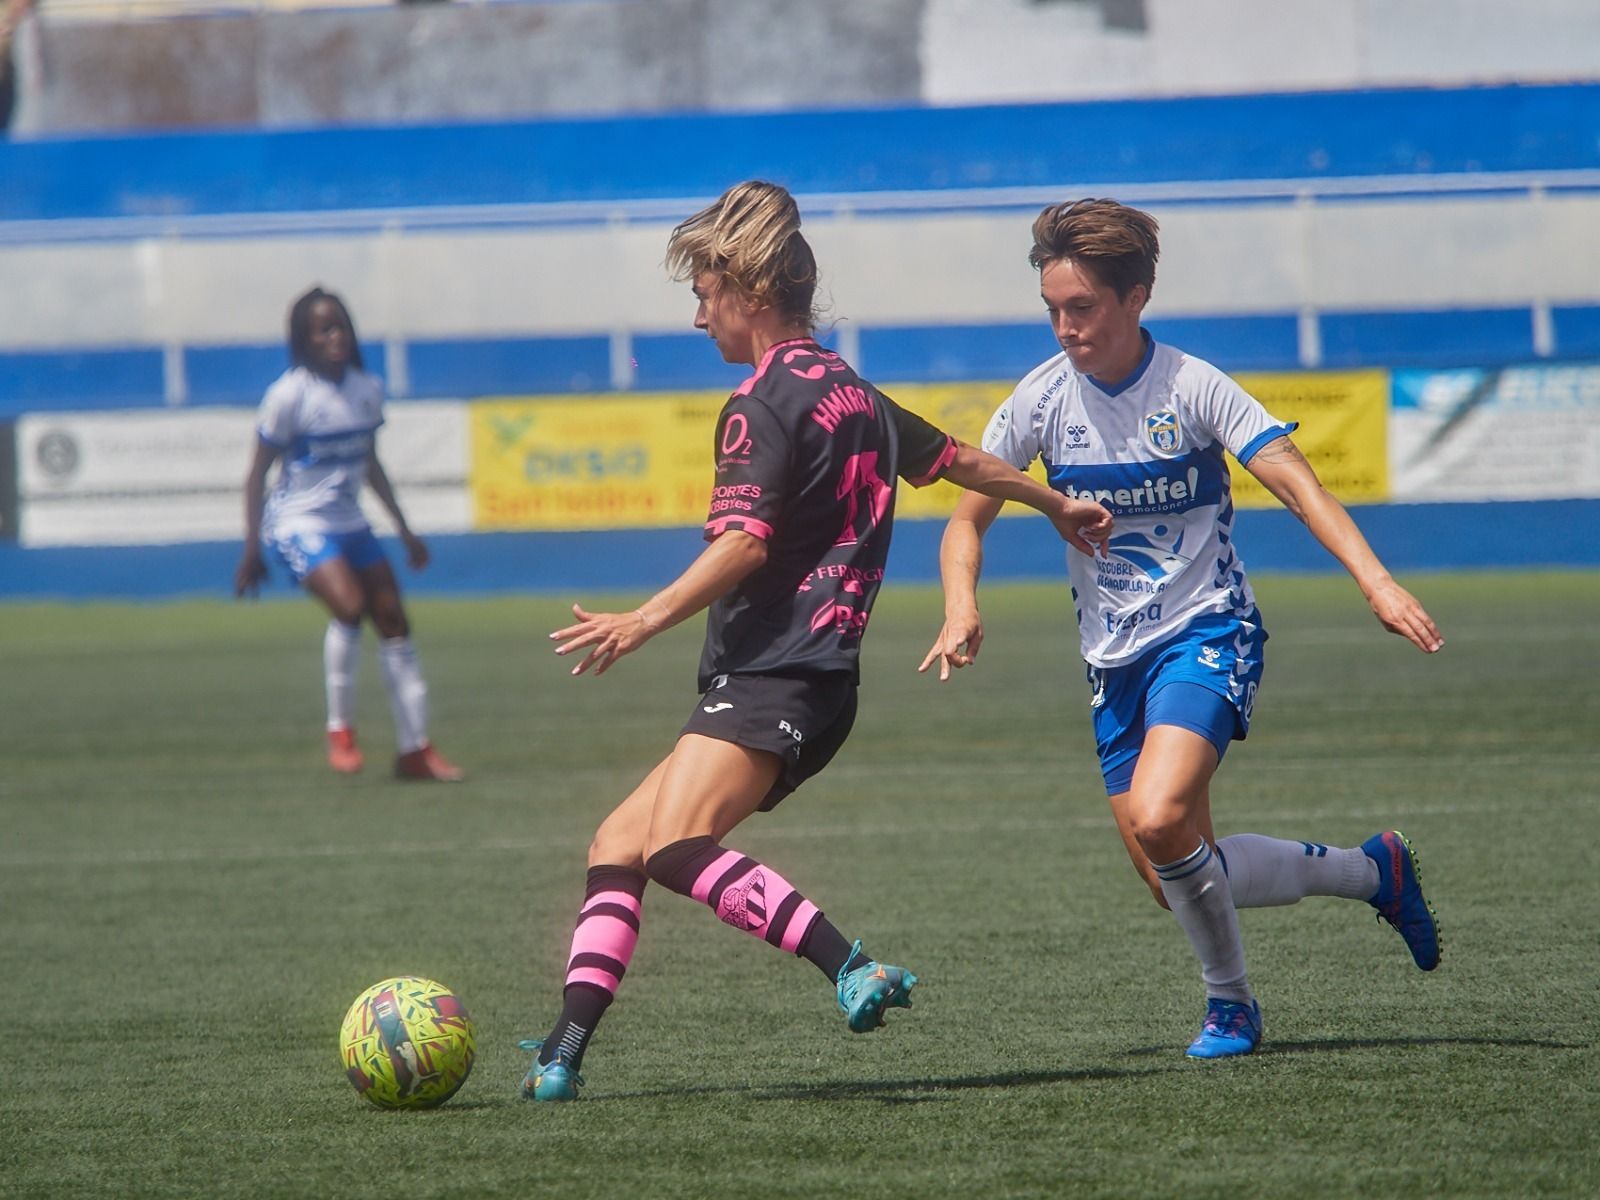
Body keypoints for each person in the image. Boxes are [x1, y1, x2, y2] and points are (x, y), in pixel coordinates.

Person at [517, 180, 1113, 1102]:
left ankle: (849, 965)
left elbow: (744, 543)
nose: (697, 316)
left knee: (675, 845)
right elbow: (958, 459)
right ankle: (561, 1051)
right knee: (619, 841)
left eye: (703, 293)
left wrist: (643, 618)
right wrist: (1052, 499)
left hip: (776, 674)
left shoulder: (759, 404)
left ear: (749, 290)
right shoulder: (851, 392)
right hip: (811, 678)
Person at [921, 198, 1444, 1059]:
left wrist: (1377, 583)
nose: (1064, 327)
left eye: (1081, 308)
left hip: (1208, 631)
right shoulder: (1042, 401)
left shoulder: (1194, 387)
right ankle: (1371, 870)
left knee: (1164, 821)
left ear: (1136, 298)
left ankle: (1230, 1006)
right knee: (1178, 877)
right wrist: (961, 602)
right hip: (1112, 660)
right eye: (1053, 309)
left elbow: (1299, 485)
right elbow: (964, 523)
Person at [234, 286, 464, 782]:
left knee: (394, 621)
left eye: (340, 326)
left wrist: (405, 530)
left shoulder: (365, 388)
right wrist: (251, 547)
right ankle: (340, 730)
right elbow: (256, 473)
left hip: (350, 522)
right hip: (299, 523)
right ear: (304, 338)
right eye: (323, 329)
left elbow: (371, 463)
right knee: (348, 606)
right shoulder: (289, 395)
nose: (335, 336)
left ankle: (415, 750)